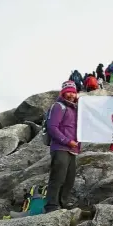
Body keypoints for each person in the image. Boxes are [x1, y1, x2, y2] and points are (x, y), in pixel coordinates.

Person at [44, 81, 80, 213]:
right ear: (63, 93)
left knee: (69, 179)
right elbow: (52, 127)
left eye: (73, 92)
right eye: (68, 92)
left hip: (72, 149)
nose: (71, 95)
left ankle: (62, 203)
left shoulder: (76, 108)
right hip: (60, 148)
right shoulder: (59, 106)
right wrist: (66, 141)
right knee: (57, 178)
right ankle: (51, 206)